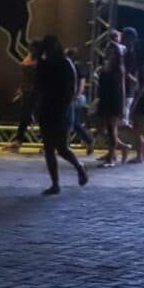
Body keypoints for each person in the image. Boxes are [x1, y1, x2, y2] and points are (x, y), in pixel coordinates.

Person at [36, 35, 89, 195]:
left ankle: (79, 167)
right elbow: (38, 84)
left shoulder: (66, 64)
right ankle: (55, 184)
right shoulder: (45, 64)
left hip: (62, 109)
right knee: (49, 148)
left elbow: (71, 89)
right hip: (47, 108)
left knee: (62, 147)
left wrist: (65, 105)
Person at [96, 30, 129, 166]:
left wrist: (122, 104)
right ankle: (113, 153)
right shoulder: (106, 68)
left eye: (111, 51)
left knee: (111, 127)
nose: (108, 53)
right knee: (105, 126)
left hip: (114, 97)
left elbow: (122, 86)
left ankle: (112, 157)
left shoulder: (118, 69)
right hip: (106, 96)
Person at [6, 43, 42, 152]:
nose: (29, 49)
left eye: (32, 47)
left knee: (41, 118)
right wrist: (21, 88)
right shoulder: (29, 56)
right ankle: (18, 141)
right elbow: (25, 75)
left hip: (37, 92)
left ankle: (48, 143)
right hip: (27, 91)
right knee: (24, 117)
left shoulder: (41, 61)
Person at [64, 47, 95, 155]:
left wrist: (76, 96)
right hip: (72, 97)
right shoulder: (70, 67)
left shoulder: (76, 67)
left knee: (72, 122)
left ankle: (88, 140)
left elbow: (82, 83)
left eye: (67, 55)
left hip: (76, 98)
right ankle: (88, 141)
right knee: (74, 123)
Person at [122, 27, 140, 124]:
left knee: (123, 121)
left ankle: (140, 138)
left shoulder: (129, 54)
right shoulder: (128, 52)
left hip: (127, 89)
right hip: (127, 89)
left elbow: (126, 73)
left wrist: (136, 82)